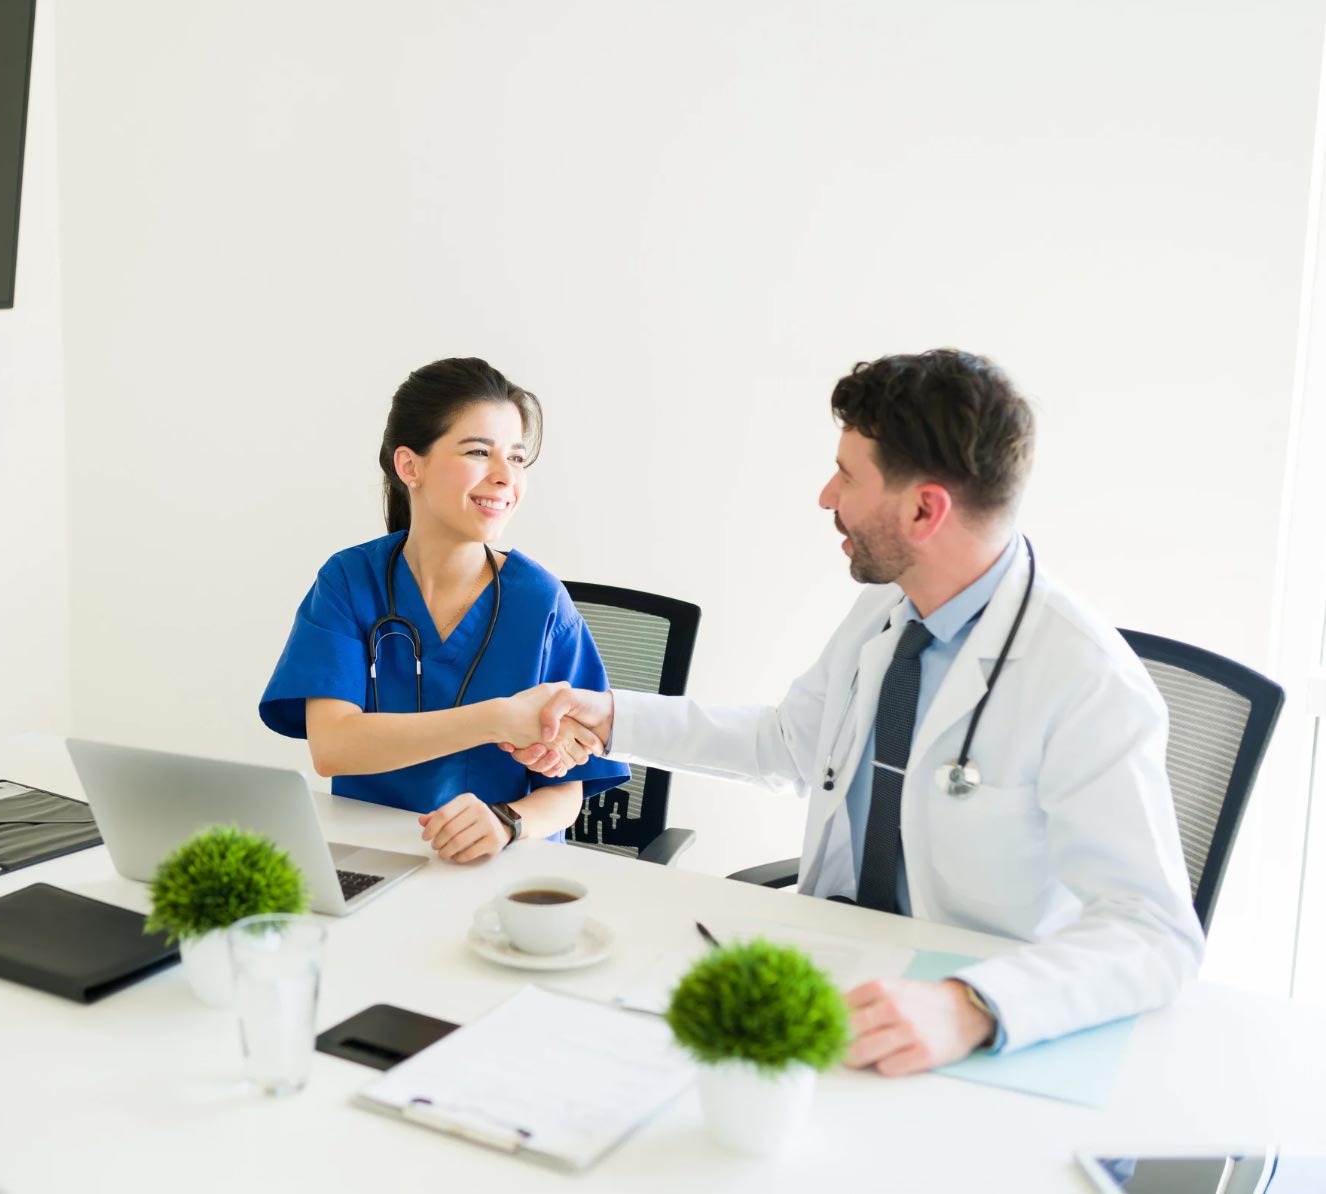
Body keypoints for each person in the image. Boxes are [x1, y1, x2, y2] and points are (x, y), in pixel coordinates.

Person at [507, 349, 1203, 1070]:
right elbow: (787, 743)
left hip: (969, 1020)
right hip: (841, 971)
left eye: (847, 474)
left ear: (925, 509)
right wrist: (610, 718)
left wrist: (971, 1006)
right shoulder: (888, 611)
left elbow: (1155, 933)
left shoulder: (1084, 679)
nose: (824, 496)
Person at [260, 357, 629, 863]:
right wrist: (498, 719)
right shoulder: (349, 581)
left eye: (517, 459)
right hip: (370, 856)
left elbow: (569, 787)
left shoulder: (539, 602)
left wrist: (508, 822)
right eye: (479, 452)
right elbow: (333, 748)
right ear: (410, 466)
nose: (505, 477)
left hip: (504, 868)